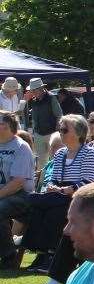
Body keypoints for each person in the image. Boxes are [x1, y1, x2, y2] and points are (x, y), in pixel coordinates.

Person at [19, 115, 94, 268]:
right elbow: (53, 178)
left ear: (78, 133)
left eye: (64, 130)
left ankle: (51, 255)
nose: (60, 133)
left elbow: (88, 182)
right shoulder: (60, 153)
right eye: (60, 130)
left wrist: (66, 189)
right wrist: (52, 186)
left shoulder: (88, 153)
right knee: (37, 208)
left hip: (80, 198)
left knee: (55, 211)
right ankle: (40, 252)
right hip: (59, 194)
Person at [0, 113, 37, 269]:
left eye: (1, 123)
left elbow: (18, 182)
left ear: (9, 127)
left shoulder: (20, 147)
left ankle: (9, 257)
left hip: (22, 196)